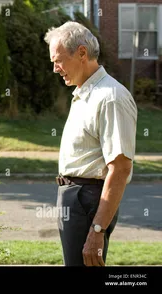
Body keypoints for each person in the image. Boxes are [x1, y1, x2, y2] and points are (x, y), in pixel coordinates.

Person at [44, 21, 137, 266]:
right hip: (75, 198)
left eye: (59, 60)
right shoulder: (85, 93)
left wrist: (97, 231)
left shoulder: (110, 98)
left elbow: (120, 168)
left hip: (88, 200)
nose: (55, 68)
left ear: (82, 53)